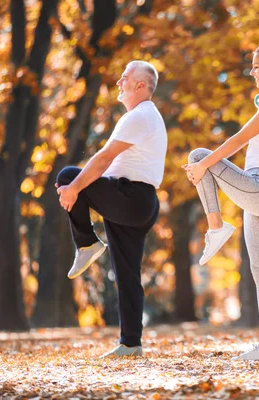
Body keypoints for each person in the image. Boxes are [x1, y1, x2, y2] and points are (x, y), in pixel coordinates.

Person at [182, 39, 259, 361]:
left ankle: (216, 227)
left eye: (257, 67)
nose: (252, 73)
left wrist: (202, 166)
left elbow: (238, 140)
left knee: (199, 153)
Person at [56, 60, 167, 358]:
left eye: (125, 78)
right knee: (127, 273)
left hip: (131, 198)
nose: (119, 82)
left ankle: (87, 243)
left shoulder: (140, 116)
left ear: (140, 85)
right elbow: (108, 166)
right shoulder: (144, 117)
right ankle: (131, 343)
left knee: (67, 176)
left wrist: (74, 189)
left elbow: (104, 159)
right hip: (138, 202)